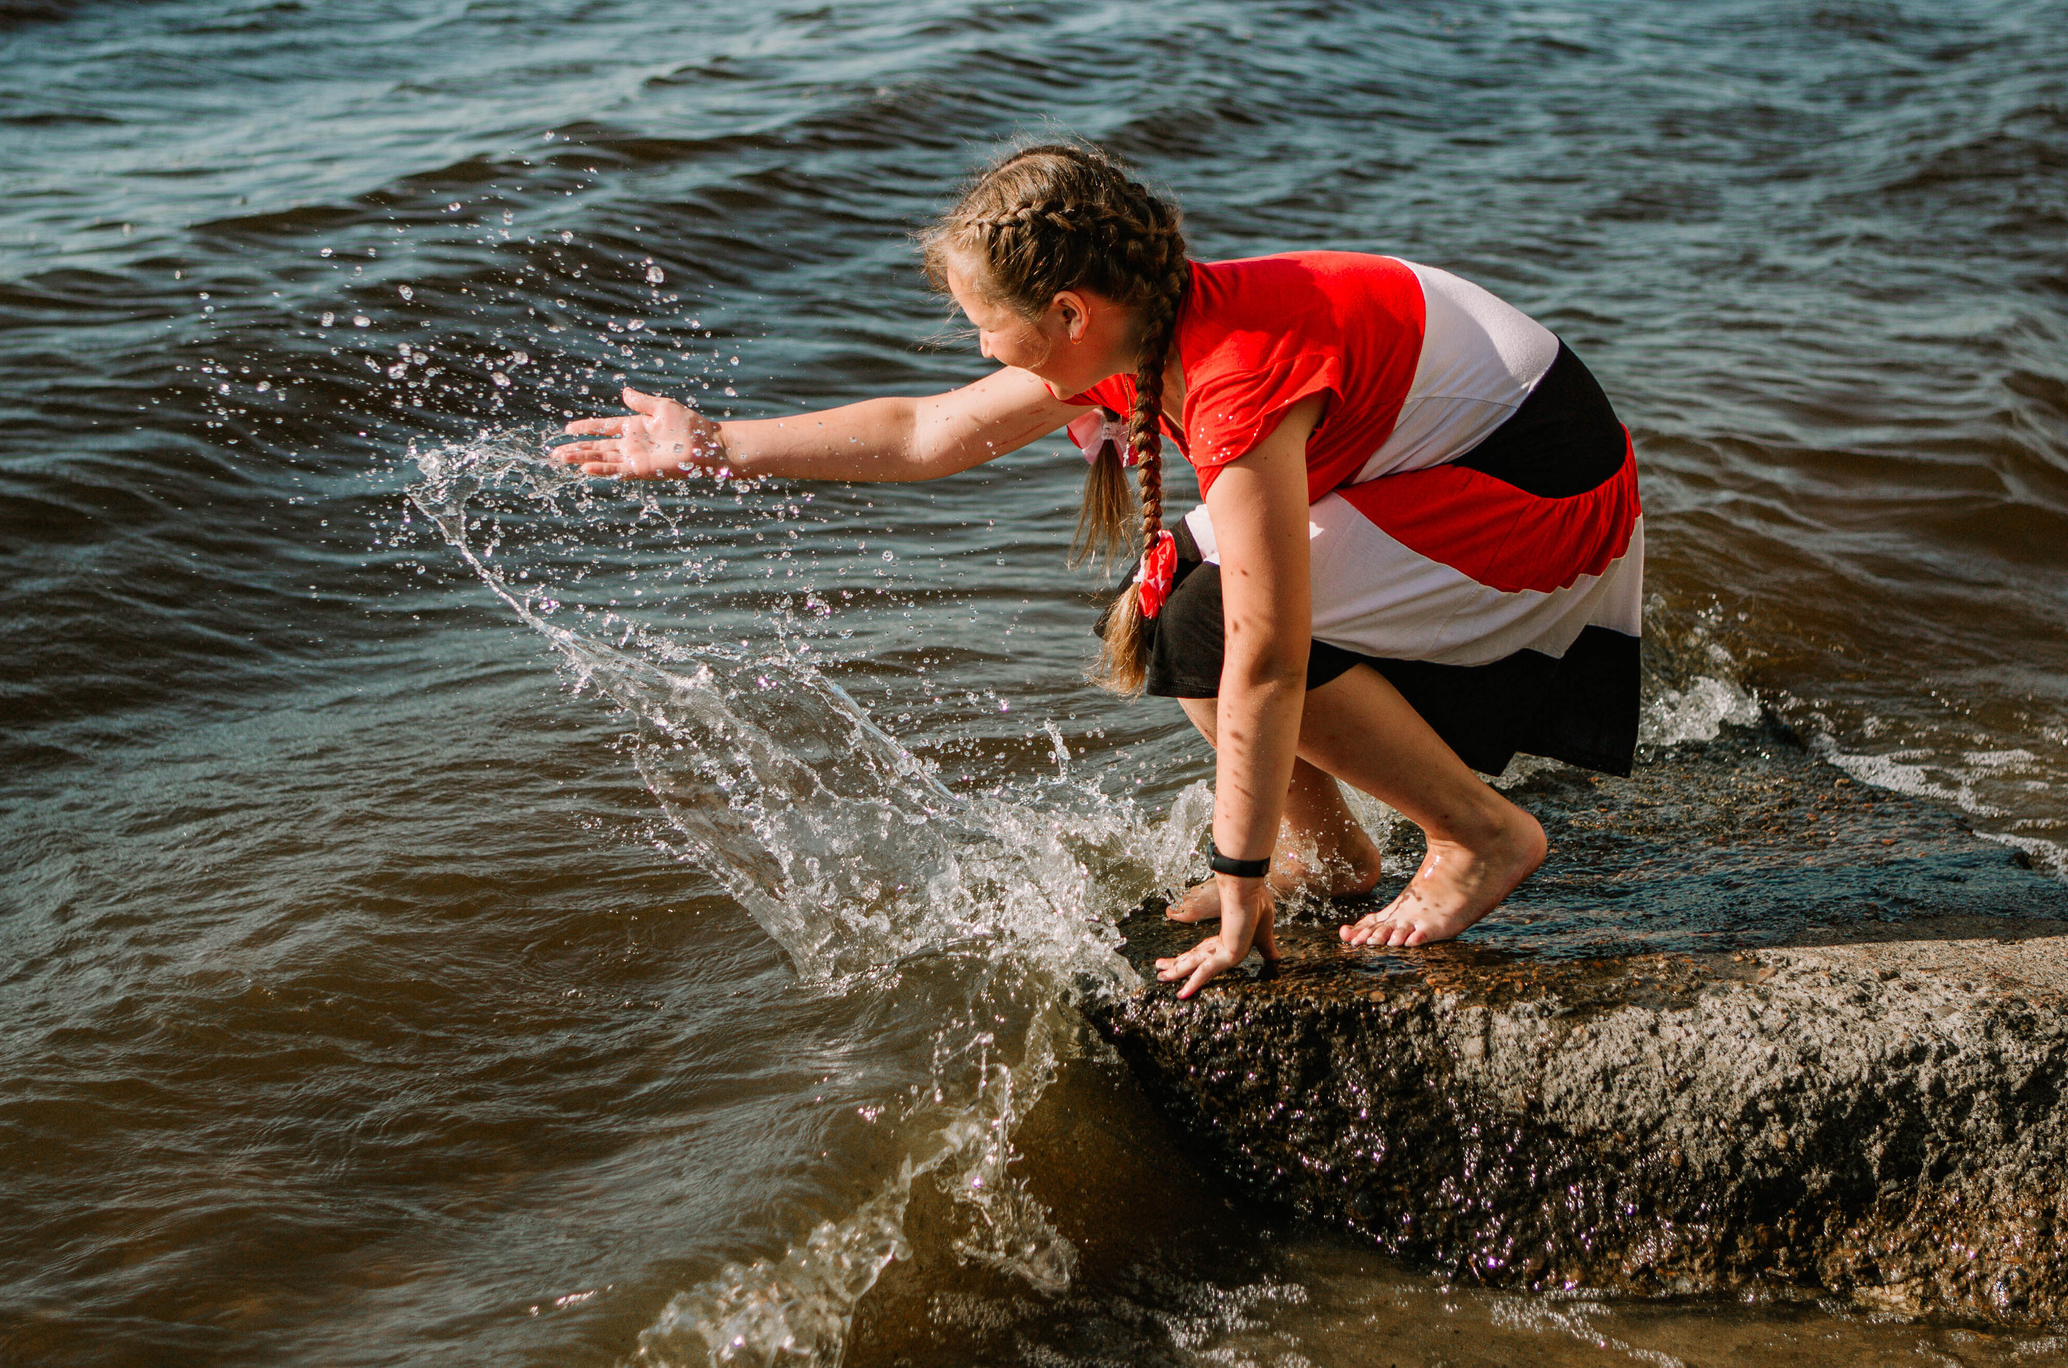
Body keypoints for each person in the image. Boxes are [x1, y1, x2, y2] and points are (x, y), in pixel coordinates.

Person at [550, 143, 1643, 999]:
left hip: (1537, 497)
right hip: (1460, 471)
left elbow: (1266, 654)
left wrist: (1236, 884)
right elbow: (929, 432)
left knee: (1207, 622)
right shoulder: (1146, 325)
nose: (982, 351)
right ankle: (1335, 853)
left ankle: (1479, 833)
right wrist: (718, 444)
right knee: (1174, 608)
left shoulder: (1234, 375)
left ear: (1069, 311)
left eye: (987, 325)